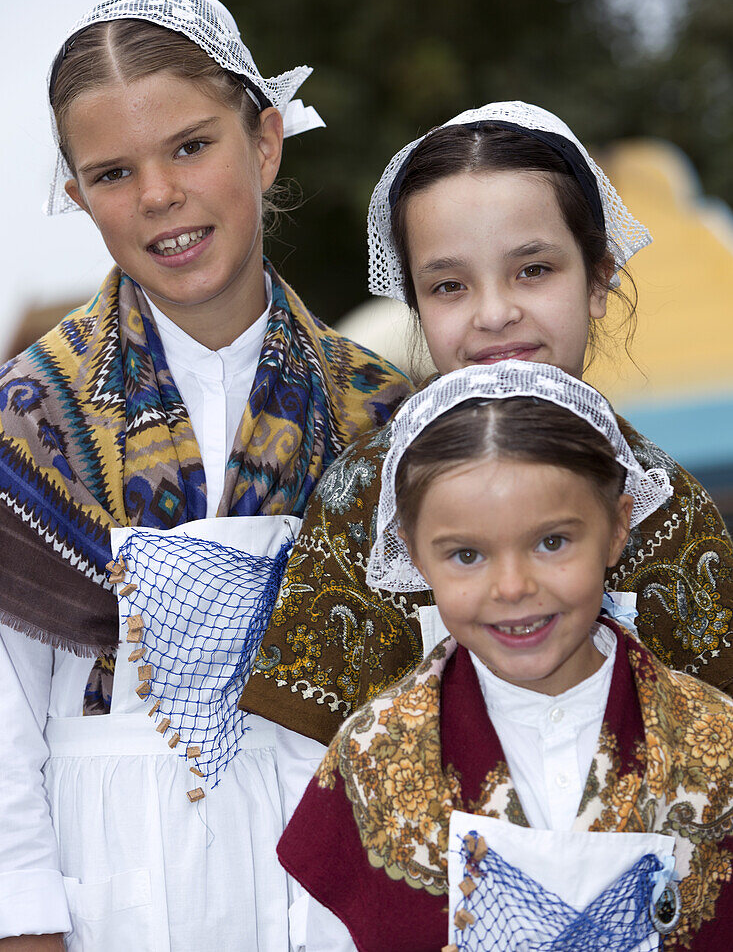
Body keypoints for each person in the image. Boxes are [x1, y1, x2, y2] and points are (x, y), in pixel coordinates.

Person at [0, 0, 411, 950]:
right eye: (110, 172)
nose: (157, 196)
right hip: (113, 875)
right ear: (77, 195)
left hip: (334, 869)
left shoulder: (383, 416)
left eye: (191, 146)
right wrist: (22, 923)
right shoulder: (28, 416)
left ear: (264, 142)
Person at [240, 101, 733, 744]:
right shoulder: (360, 502)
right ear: (414, 305)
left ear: (599, 279)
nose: (495, 313)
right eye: (449, 286)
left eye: (533, 271)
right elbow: (306, 766)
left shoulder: (664, 505)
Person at [278, 361, 733, 951]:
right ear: (415, 556)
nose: (512, 587)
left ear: (618, 527)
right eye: (467, 555)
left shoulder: (718, 745)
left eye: (552, 542)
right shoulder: (370, 759)